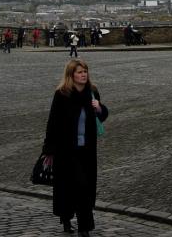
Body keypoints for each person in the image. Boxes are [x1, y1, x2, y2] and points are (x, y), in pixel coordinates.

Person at [42, 60, 109, 236]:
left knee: (85, 188)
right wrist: (49, 149)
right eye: (79, 72)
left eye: (85, 71)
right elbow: (53, 122)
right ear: (71, 75)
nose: (83, 74)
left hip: (86, 150)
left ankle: (84, 227)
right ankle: (66, 218)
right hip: (66, 151)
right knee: (68, 188)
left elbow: (102, 116)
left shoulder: (92, 92)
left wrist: (99, 108)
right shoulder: (62, 94)